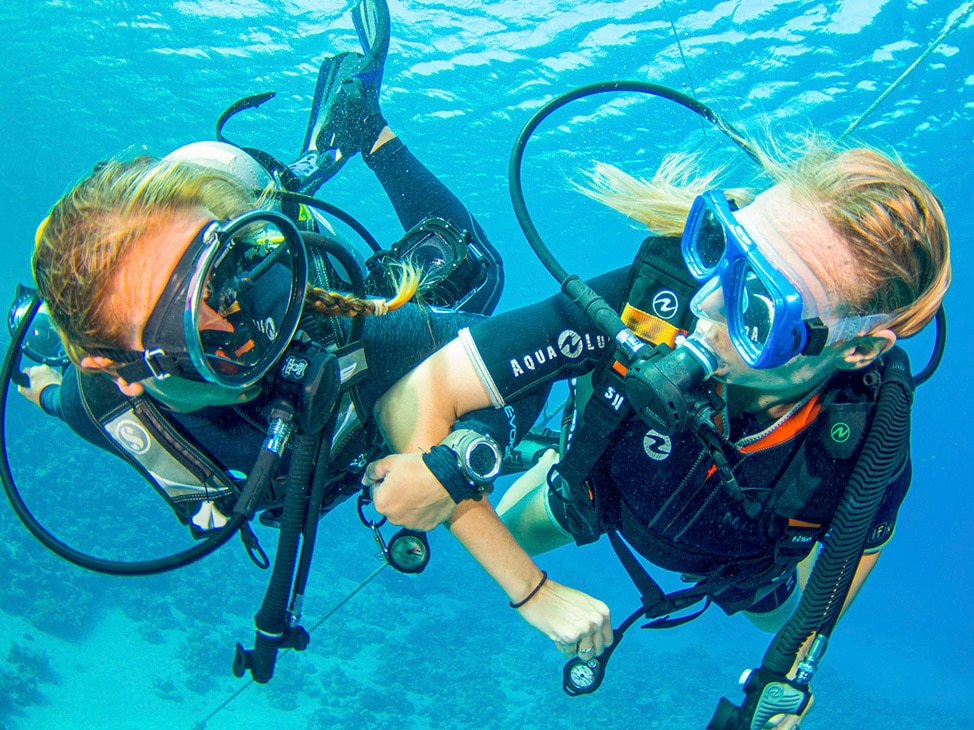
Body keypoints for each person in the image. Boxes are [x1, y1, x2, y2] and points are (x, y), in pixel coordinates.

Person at [363, 139, 951, 721]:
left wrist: (787, 674)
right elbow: (414, 396)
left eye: (762, 309)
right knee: (514, 528)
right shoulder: (653, 297)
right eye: (721, 246)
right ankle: (551, 462)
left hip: (743, 571)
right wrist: (531, 589)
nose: (710, 302)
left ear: (860, 348)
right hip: (593, 496)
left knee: (778, 613)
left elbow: (856, 550)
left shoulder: (870, 432)